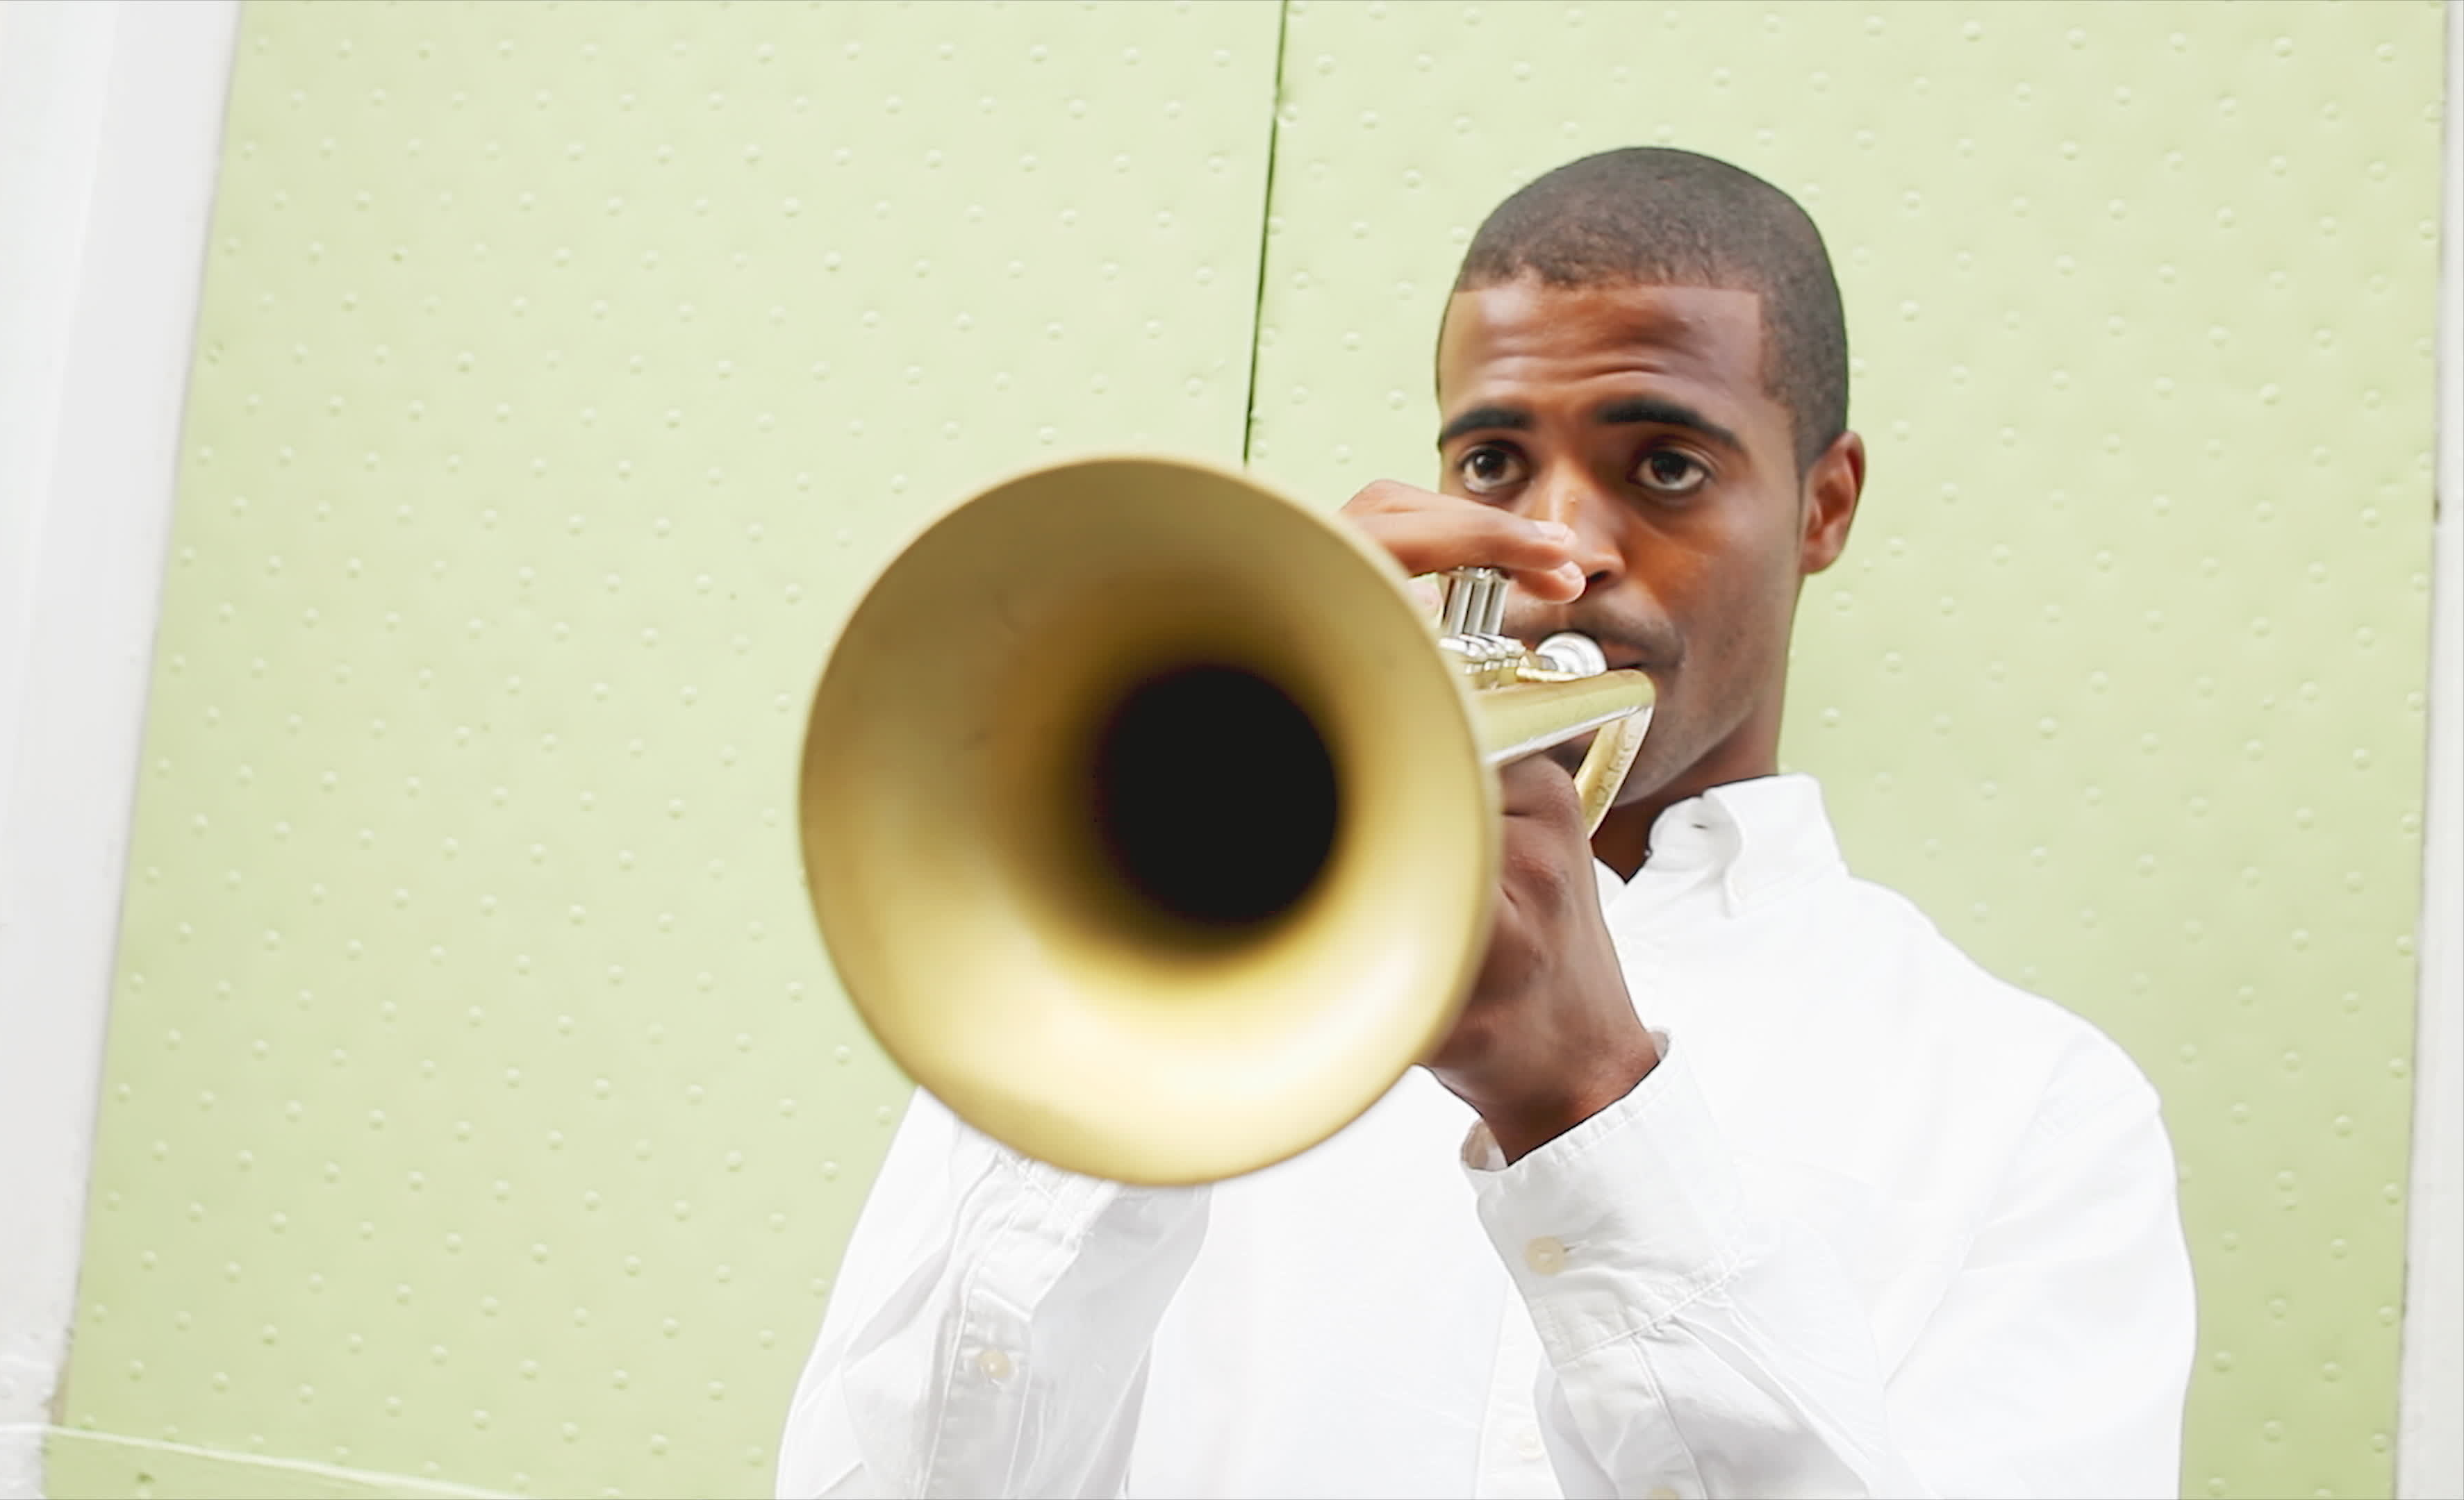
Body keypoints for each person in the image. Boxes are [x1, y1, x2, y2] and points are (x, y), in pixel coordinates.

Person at [777, 147, 2195, 1499]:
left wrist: (1588, 1107)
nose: (1562, 554)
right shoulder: (1117, 980)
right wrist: (1146, 953)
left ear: (1825, 504)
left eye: (1667, 470)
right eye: (1495, 465)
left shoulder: (2036, 1111)